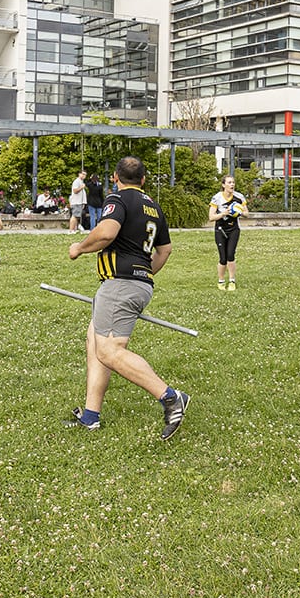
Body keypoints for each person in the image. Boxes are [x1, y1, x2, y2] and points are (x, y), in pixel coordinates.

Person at [65, 156, 190, 440]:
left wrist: (79, 248)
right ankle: (90, 416)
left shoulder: (118, 199)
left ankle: (171, 397)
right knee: (94, 340)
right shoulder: (154, 207)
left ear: (115, 178)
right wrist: (144, 273)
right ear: (144, 179)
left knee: (108, 351)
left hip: (119, 285)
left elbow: (106, 232)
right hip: (137, 284)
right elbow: (165, 250)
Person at [208, 174, 248, 291]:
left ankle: (232, 281)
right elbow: (211, 217)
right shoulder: (217, 198)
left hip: (234, 230)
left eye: (233, 182)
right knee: (223, 257)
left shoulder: (239, 197)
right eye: (229, 183)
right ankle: (221, 281)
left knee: (231, 255)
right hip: (220, 230)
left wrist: (239, 212)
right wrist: (223, 214)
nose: (232, 185)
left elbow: (247, 213)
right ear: (223, 185)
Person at [68, 168, 87, 233]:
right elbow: (75, 191)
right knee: (74, 216)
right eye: (83, 174)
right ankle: (71, 230)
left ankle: (74, 229)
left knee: (77, 216)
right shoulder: (76, 181)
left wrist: (83, 203)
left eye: (85, 175)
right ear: (79, 174)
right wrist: (81, 187)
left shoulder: (81, 182)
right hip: (76, 202)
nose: (84, 176)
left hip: (80, 202)